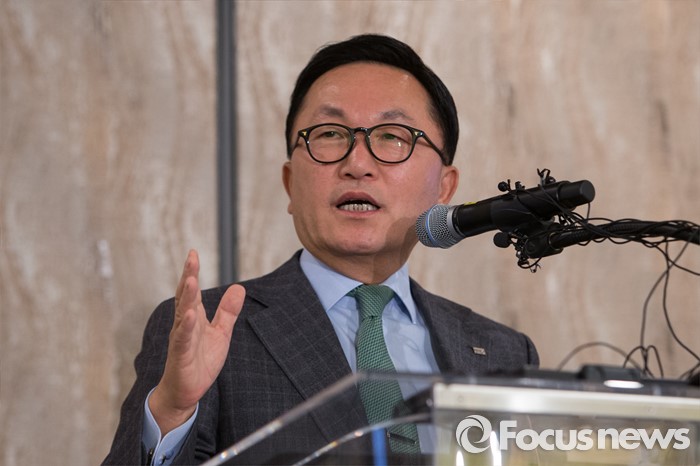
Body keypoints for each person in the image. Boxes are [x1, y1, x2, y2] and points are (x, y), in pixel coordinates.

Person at [103, 34, 539, 465]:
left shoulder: (503, 353)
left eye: (392, 136)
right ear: (290, 183)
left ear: (444, 187)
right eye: (330, 133)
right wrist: (172, 413)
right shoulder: (210, 331)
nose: (358, 164)